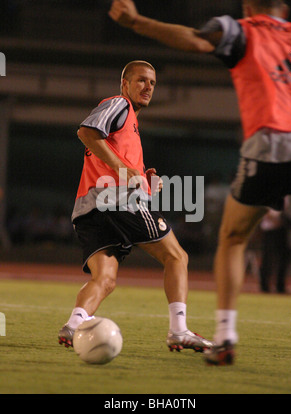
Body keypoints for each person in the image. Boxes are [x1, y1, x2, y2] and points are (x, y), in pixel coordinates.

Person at [109, 0, 291, 365]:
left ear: (248, 5)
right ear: (286, 7)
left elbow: (196, 40)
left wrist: (136, 22)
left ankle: (226, 337)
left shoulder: (244, 30)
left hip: (271, 145)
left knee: (233, 237)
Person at [58, 60, 213, 353]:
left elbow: (113, 157)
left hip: (89, 208)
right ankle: (179, 331)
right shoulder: (118, 105)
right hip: (115, 200)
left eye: (152, 83)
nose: (148, 87)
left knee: (105, 278)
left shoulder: (129, 125)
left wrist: (143, 177)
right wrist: (124, 170)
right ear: (124, 84)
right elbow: (87, 132)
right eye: (141, 80)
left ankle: (74, 325)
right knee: (176, 257)